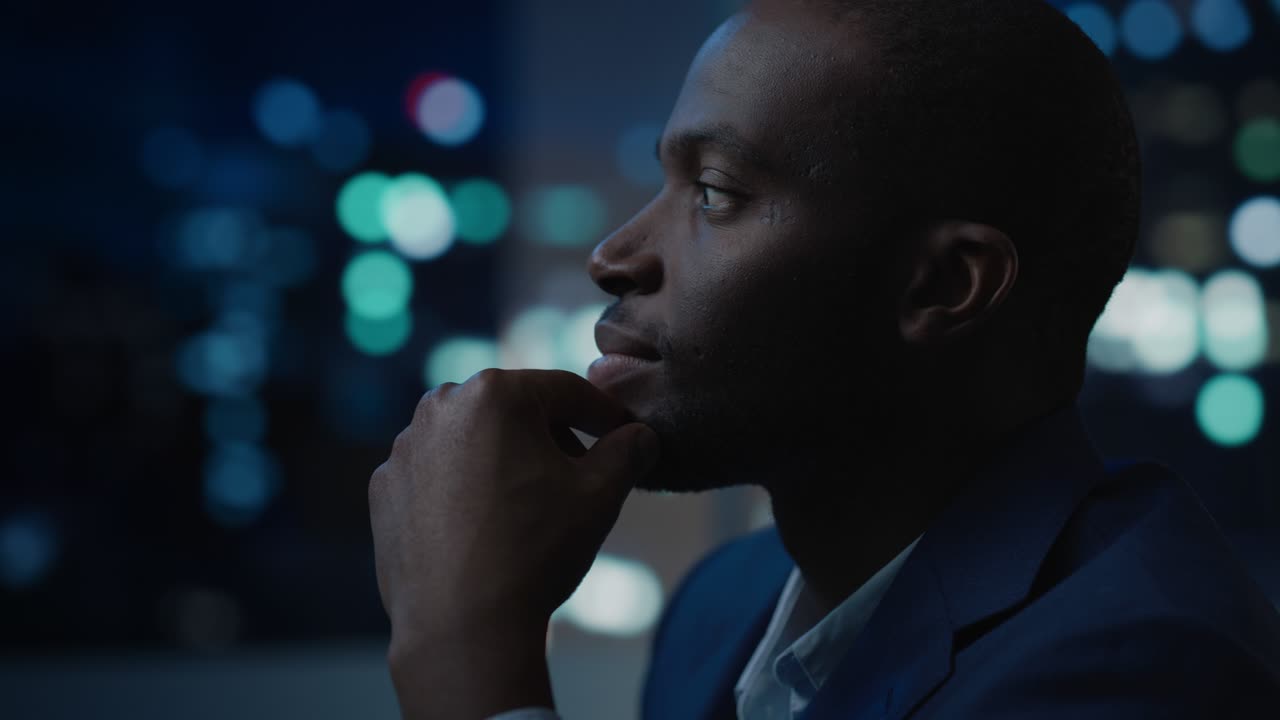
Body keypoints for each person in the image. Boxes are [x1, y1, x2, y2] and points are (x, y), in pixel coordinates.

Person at [366, 0, 1280, 717]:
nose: (614, 254)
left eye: (714, 193)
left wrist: (467, 656)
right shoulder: (720, 606)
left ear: (943, 287)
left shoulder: (1143, 662)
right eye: (667, 180)